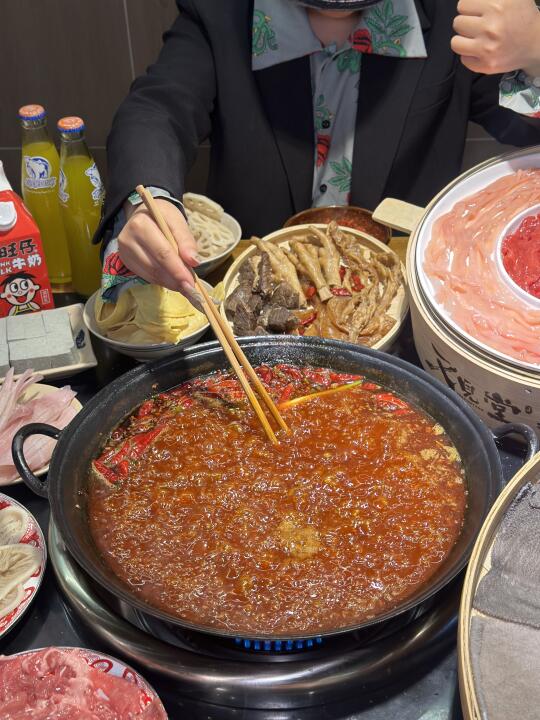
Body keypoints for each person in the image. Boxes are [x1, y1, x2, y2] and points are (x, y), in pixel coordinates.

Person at [96, 0, 540, 300]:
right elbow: (158, 106)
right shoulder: (222, 12)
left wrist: (535, 51)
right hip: (258, 297)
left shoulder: (457, 14)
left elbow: (522, 128)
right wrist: (147, 200)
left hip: (405, 297)